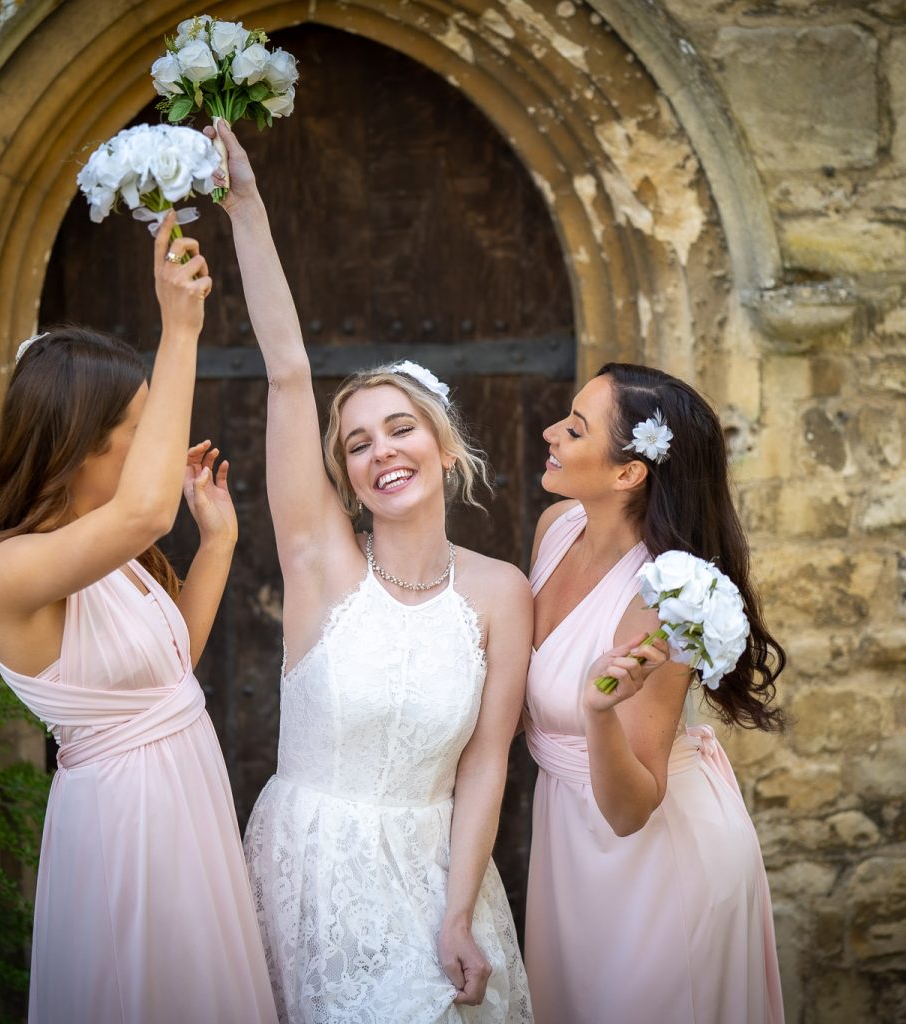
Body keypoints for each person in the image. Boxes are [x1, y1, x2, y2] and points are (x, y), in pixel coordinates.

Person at [209, 118, 533, 1023]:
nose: (381, 451)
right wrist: (245, 204)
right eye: (357, 443)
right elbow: (287, 373)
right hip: (310, 872)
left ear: (443, 446)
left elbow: (486, 764)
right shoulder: (321, 567)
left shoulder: (502, 593)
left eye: (399, 429)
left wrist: (459, 912)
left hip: (439, 879)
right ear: (345, 473)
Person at [0, 217, 275, 1023]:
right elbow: (149, 511)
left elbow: (168, 674)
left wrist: (219, 543)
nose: (157, 446)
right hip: (129, 825)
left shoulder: (105, 552)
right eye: (139, 430)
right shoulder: (11, 571)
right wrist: (181, 328)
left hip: (185, 796)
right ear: (79, 445)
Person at [521, 362, 786, 1023]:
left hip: (653, 858)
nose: (551, 432)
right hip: (569, 840)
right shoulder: (556, 528)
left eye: (575, 429)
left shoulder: (665, 599)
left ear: (628, 473)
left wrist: (597, 712)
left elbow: (633, 807)